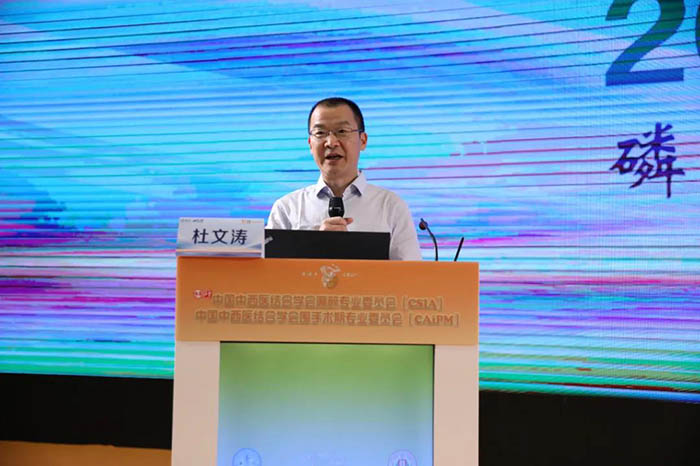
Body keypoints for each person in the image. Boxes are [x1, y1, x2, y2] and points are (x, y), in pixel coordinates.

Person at [266, 97, 422, 261]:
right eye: (320, 133)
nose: (331, 142)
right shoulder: (287, 208)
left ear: (363, 140)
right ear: (310, 144)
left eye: (342, 131)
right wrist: (314, 244)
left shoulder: (390, 206)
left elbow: (411, 273)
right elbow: (269, 273)